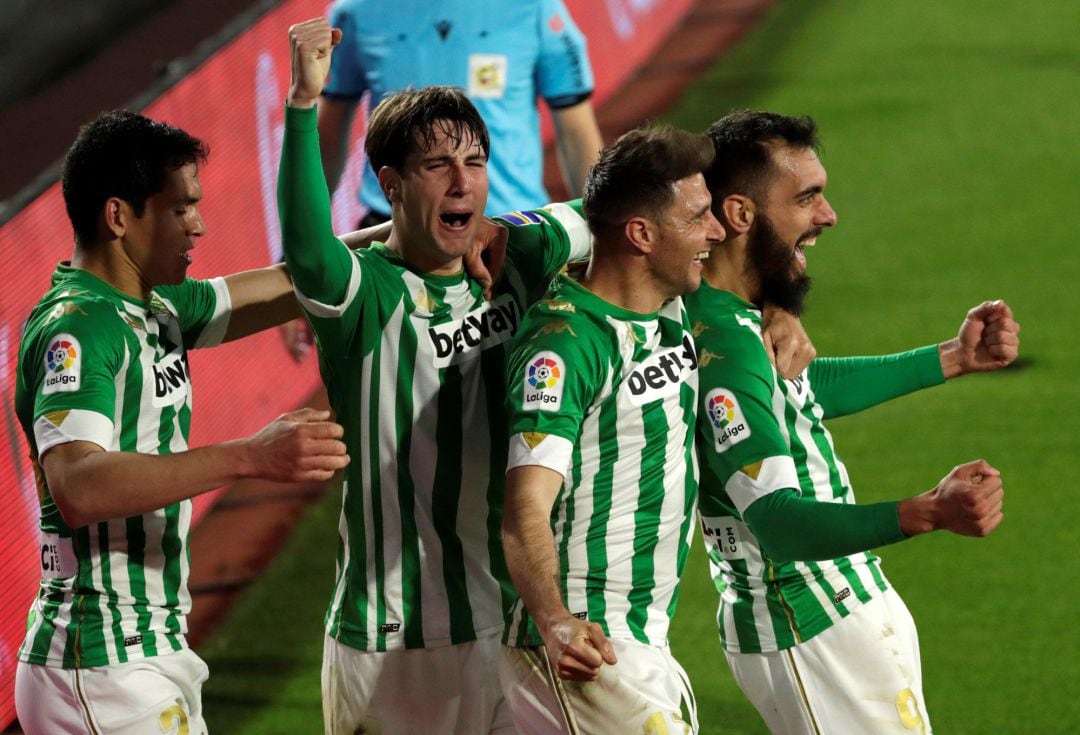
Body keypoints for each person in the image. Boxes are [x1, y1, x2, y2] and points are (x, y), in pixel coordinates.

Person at [281, 19, 595, 734]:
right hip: (394, 639)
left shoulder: (515, 261)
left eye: (475, 162)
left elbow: (615, 210)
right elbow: (307, 244)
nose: (463, 182)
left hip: (511, 621)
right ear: (390, 184)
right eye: (438, 166)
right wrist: (303, 104)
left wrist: (516, 224)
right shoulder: (365, 293)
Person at [13, 111, 350, 734]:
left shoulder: (154, 306)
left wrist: (409, 240)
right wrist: (251, 455)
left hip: (138, 652)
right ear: (119, 217)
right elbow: (79, 485)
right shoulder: (79, 329)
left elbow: (289, 282)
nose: (199, 225)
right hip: (100, 662)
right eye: (180, 208)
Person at [688, 110, 1018, 734]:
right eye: (806, 197)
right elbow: (778, 523)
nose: (829, 215)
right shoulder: (722, 345)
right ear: (739, 214)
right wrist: (929, 511)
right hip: (806, 621)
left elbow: (797, 394)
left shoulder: (739, 316)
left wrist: (953, 357)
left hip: (842, 597)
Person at [499, 125, 725, 734]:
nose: (716, 232)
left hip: (641, 636)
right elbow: (524, 505)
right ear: (641, 235)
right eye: (698, 218)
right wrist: (555, 620)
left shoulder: (668, 308)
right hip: (588, 641)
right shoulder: (566, 345)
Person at [318, 0, 603, 225]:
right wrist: (303, 235)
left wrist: (602, 230)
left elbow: (576, 134)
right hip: (394, 228)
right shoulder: (355, 13)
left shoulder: (536, 7)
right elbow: (325, 143)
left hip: (513, 227)